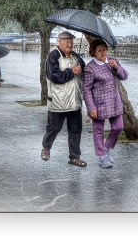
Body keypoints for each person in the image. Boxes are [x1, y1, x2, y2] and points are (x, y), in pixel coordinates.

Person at [41, 30, 87, 167]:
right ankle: (46, 147)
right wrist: (71, 71)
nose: (70, 43)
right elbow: (55, 77)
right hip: (58, 102)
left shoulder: (76, 57)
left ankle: (74, 157)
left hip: (75, 102)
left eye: (71, 41)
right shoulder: (53, 57)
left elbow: (86, 72)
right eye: (66, 41)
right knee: (54, 128)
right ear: (59, 42)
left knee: (76, 130)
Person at [83, 38, 129, 168]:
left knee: (118, 127)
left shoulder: (112, 61)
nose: (103, 53)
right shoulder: (90, 68)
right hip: (99, 105)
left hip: (115, 103)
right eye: (99, 50)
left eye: (104, 49)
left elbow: (125, 76)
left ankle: (107, 148)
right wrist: (91, 107)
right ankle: (102, 156)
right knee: (98, 131)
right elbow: (86, 90)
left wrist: (117, 67)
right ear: (94, 52)